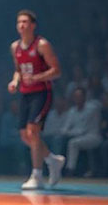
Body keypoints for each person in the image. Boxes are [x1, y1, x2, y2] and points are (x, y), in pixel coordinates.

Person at [8, 10, 65, 190]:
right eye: (19, 22)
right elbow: (18, 69)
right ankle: (52, 160)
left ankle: (37, 175)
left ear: (33, 25)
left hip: (42, 92)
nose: (22, 25)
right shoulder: (15, 47)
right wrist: (15, 81)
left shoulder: (41, 45)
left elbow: (56, 70)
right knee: (25, 136)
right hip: (25, 93)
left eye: (25, 22)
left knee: (33, 132)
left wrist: (38, 77)